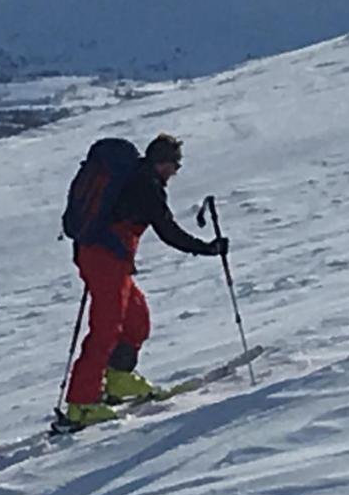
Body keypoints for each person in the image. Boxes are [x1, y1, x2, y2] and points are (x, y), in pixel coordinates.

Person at [62, 134, 226, 429]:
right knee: (106, 328)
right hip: (104, 259)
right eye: (175, 166)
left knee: (137, 318)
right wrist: (207, 248)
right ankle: (81, 404)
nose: (176, 172)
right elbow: (168, 231)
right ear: (163, 164)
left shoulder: (136, 177)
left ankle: (119, 379)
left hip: (106, 257)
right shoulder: (146, 186)